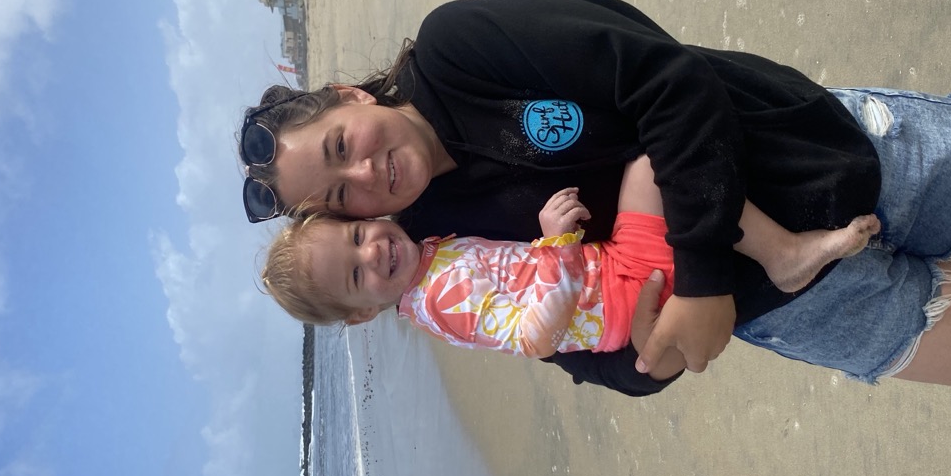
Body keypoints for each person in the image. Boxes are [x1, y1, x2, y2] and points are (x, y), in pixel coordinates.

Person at [240, 0, 951, 394]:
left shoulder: (458, 48)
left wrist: (700, 275)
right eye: (341, 200)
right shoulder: (432, 246)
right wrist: (646, 360)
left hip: (826, 154)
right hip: (797, 305)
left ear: (351, 96)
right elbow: (565, 338)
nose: (363, 178)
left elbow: (665, 75)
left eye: (341, 147)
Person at [261, 157, 880, 374]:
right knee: (655, 173)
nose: (373, 251)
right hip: (613, 291)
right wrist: (553, 245)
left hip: (611, 272)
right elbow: (534, 338)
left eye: (360, 234)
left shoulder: (427, 261)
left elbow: (508, 285)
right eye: (355, 275)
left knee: (650, 174)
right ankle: (788, 255)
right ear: (366, 312)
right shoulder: (440, 301)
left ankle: (658, 346)